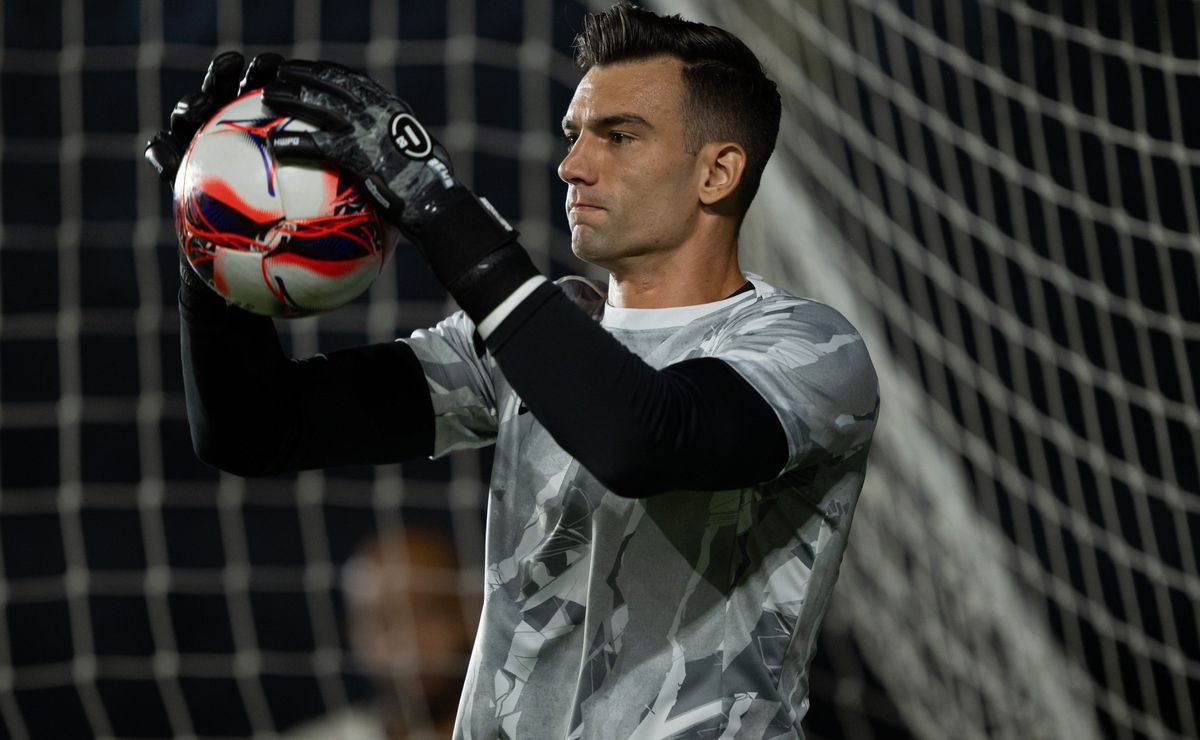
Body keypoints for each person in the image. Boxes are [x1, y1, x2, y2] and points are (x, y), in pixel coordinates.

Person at [146, 5, 879, 738]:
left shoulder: (807, 349)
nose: (573, 165)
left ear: (717, 172)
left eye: (619, 136)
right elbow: (256, 429)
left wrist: (438, 206)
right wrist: (216, 237)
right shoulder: (531, 337)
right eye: (573, 136)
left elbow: (642, 439)